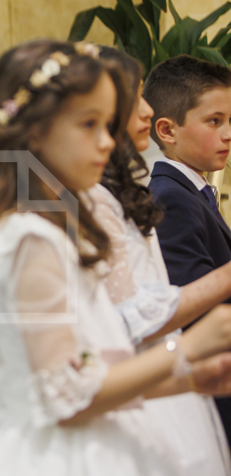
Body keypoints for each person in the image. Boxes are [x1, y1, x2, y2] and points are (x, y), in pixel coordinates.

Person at [0, 39, 231, 476]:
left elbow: (89, 364)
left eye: (107, 124)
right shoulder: (28, 240)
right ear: (36, 131)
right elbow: (62, 397)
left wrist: (186, 379)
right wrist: (186, 347)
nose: (107, 141)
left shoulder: (54, 228)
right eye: (89, 125)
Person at [88, 46, 231, 475]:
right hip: (143, 371)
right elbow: (147, 308)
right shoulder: (166, 197)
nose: (147, 111)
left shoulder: (137, 194)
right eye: (135, 99)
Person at [145, 54, 231, 441]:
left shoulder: (194, 193)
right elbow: (194, 306)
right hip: (212, 390)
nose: (228, 134)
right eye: (215, 121)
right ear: (167, 130)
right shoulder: (171, 198)